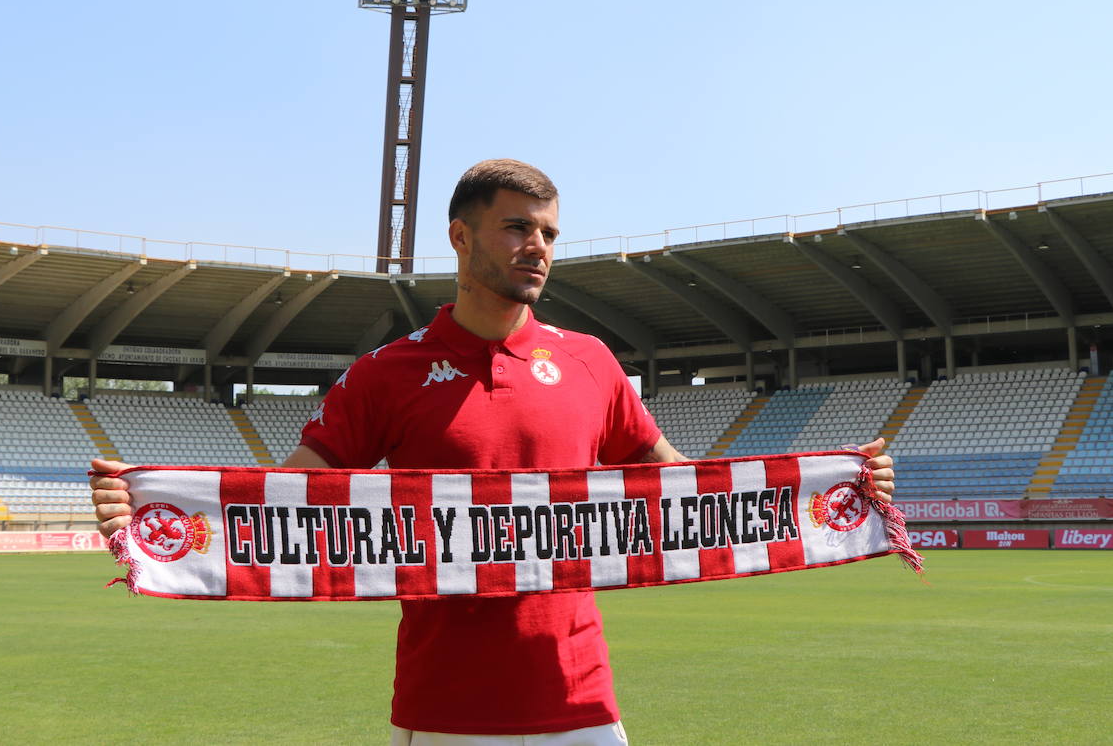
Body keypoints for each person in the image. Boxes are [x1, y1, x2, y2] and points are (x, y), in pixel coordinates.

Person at [90, 159, 896, 745]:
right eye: (516, 227)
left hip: (581, 698)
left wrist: (837, 486)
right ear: (460, 236)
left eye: (547, 233)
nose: (536, 247)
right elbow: (290, 500)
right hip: (446, 707)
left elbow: (686, 485)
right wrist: (159, 507)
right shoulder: (385, 372)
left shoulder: (591, 362)